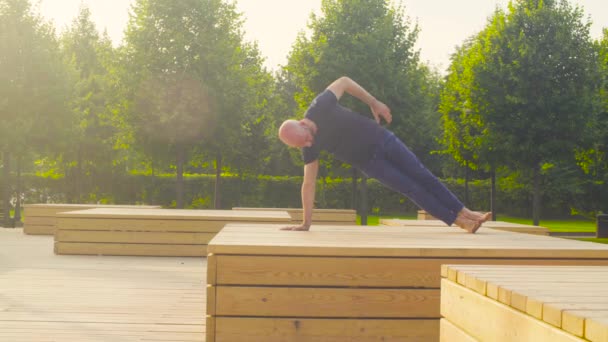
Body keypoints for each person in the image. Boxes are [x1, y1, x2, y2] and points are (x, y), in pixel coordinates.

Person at [278, 76, 490, 233]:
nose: (309, 144)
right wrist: (306, 223)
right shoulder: (309, 147)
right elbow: (308, 184)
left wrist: (373, 102)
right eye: (302, 145)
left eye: (306, 138)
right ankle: (461, 222)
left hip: (383, 140)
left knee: (423, 175)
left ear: (303, 123)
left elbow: (344, 82)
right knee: (412, 188)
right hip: (372, 164)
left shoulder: (320, 106)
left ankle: (468, 212)